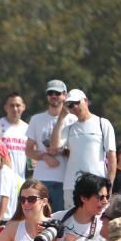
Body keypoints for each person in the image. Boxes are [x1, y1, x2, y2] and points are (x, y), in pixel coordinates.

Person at [50, 88, 116, 210]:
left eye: (76, 102)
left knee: (97, 222)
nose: (74, 107)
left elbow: (112, 157)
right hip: (72, 185)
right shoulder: (69, 128)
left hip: (97, 184)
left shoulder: (103, 123)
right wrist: (61, 118)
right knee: (71, 223)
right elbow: (54, 147)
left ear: (85, 101)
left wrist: (109, 187)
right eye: (70, 105)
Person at [26, 80, 77, 214]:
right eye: (50, 93)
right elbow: (29, 150)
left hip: (65, 179)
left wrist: (62, 152)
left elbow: (77, 151)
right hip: (42, 179)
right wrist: (44, 156)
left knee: (61, 220)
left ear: (65, 95)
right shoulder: (36, 119)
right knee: (39, 218)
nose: (53, 95)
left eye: (57, 93)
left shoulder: (73, 120)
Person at [0, 93, 29, 181]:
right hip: (2, 177)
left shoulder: (27, 128)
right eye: (11, 105)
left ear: (23, 107)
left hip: (21, 179)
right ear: (5, 107)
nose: (15, 109)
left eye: (18, 105)